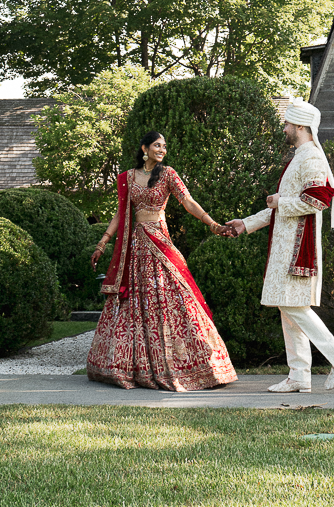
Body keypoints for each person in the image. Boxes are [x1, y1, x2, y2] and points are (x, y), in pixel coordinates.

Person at [86, 131, 237, 392]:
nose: (162, 149)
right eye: (157, 145)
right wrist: (102, 243)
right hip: (134, 250)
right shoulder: (128, 177)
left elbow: (187, 201)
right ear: (144, 148)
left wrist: (211, 223)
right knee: (133, 303)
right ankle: (129, 366)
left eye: (165, 146)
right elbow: (121, 213)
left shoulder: (168, 174)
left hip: (159, 243)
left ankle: (193, 364)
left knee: (176, 297)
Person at [226, 99, 334, 394]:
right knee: (289, 308)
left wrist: (280, 202)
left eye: (287, 123)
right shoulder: (299, 157)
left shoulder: (311, 157)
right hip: (284, 245)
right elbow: (280, 207)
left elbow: (318, 200)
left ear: (301, 125)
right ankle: (299, 374)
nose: (284, 128)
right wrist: (246, 223)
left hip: (298, 248)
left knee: (291, 304)